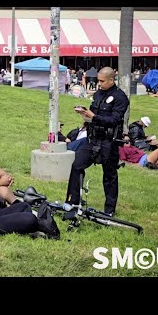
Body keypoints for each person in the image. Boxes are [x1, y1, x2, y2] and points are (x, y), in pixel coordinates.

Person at [64, 67, 129, 216]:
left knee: (109, 175)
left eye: (102, 81)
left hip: (109, 141)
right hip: (93, 139)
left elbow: (114, 120)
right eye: (98, 80)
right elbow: (93, 113)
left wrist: (94, 117)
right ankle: (72, 202)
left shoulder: (120, 97)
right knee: (77, 165)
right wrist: (85, 114)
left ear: (111, 80)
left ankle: (109, 210)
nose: (99, 84)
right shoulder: (98, 94)